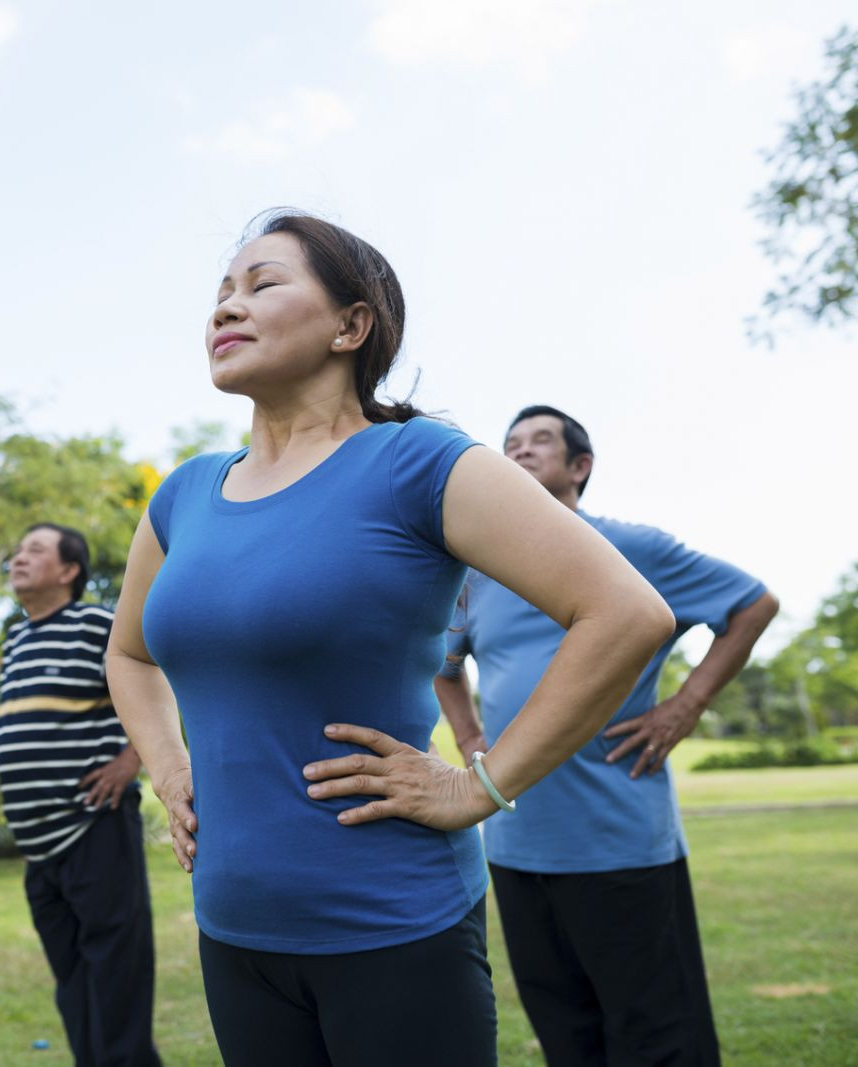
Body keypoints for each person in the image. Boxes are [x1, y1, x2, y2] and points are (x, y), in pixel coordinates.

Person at [104, 210, 678, 1066]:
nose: (225, 308)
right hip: (234, 931)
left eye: (262, 284)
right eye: (222, 292)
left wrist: (480, 786)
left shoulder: (420, 463)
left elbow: (628, 614)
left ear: (351, 323)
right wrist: (168, 765)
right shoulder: (185, 494)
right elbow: (130, 650)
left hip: (395, 925)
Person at [437, 405, 778, 1067]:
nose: (522, 452)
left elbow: (752, 603)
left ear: (580, 466)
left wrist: (686, 705)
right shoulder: (478, 573)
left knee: (658, 1038)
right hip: (513, 841)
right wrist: (470, 733)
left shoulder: (636, 549)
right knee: (568, 1034)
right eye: (511, 444)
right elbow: (443, 669)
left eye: (541, 441)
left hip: (620, 840)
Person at [0, 522, 160, 1067]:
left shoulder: (97, 622)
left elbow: (157, 680)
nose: (19, 558)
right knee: (72, 981)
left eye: (34, 550)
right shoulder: (16, 637)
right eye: (18, 550)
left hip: (95, 825)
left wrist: (130, 760)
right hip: (39, 845)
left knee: (116, 974)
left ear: (69, 571)